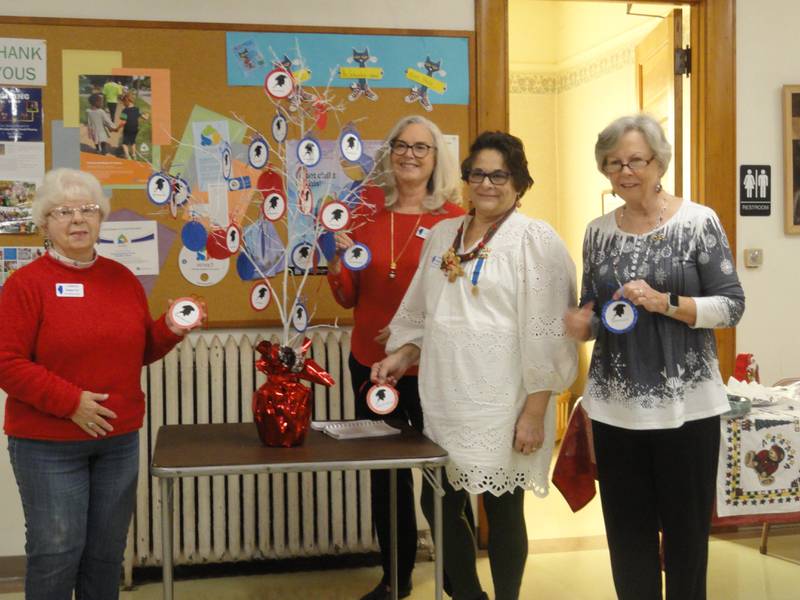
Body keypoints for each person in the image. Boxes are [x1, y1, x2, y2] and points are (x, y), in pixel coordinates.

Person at [372, 131, 578, 600]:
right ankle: (468, 595)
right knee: (437, 503)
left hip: (506, 403)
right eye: (478, 174)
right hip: (444, 400)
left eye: (499, 175)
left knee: (504, 510)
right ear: (465, 179)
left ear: (519, 182)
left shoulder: (536, 240)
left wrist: (534, 412)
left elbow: (549, 330)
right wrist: (401, 353)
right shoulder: (444, 234)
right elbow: (426, 312)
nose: (487, 184)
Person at [564, 113, 745, 600]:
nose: (625, 172)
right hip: (614, 408)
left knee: (686, 542)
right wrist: (583, 322)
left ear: (658, 161)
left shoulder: (697, 222)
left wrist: (667, 303)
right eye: (613, 163)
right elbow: (596, 308)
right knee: (627, 541)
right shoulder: (598, 232)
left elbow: (731, 306)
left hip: (687, 408)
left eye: (635, 161)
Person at [0, 168, 199, 599]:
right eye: (63, 211)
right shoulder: (25, 286)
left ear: (101, 218)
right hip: (47, 444)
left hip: (117, 440)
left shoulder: (121, 279)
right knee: (56, 553)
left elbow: (139, 349)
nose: (77, 220)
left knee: (106, 554)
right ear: (44, 224)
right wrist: (72, 403)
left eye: (87, 210)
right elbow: (7, 363)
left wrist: (169, 329)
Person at [326, 115, 464, 600]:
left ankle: (456, 578)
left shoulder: (452, 219)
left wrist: (412, 334)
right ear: (389, 153)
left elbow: (457, 300)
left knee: (443, 475)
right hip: (368, 363)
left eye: (421, 148)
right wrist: (336, 262)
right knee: (385, 477)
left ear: (435, 158)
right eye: (401, 145)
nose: (409, 154)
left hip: (431, 366)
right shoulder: (362, 212)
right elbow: (347, 298)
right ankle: (395, 579)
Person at [118, 92, 149, 160]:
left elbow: (123, 122)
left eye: (123, 102)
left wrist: (117, 128)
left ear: (126, 101)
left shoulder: (124, 111)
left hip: (127, 129)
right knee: (132, 142)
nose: (123, 104)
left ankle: (127, 156)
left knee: (124, 143)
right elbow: (145, 118)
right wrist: (147, 115)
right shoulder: (137, 109)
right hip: (135, 128)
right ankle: (134, 155)